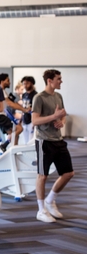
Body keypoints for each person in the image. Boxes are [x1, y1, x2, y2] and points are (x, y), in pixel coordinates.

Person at [32, 69, 74, 223]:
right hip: (44, 141)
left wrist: (60, 121)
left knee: (68, 173)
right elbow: (35, 121)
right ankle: (41, 209)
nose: (61, 81)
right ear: (50, 81)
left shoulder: (58, 96)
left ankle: (50, 201)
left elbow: (63, 115)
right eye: (58, 79)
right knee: (42, 175)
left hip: (58, 140)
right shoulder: (39, 98)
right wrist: (53, 117)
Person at [0, 73, 29, 151]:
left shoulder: (3, 91)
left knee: (14, 133)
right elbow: (10, 104)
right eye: (8, 80)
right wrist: (24, 110)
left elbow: (12, 103)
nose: (9, 82)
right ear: (2, 81)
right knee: (19, 129)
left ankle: (14, 152)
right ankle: (4, 145)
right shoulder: (0, 90)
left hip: (1, 115)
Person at [21, 76, 37, 144]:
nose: (25, 85)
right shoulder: (24, 95)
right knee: (25, 141)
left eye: (27, 83)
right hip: (24, 120)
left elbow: (37, 109)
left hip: (31, 121)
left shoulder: (36, 95)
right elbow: (23, 108)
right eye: (24, 83)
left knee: (31, 141)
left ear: (32, 83)